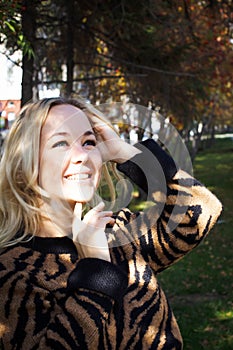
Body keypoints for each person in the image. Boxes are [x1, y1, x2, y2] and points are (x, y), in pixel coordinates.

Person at [0, 97, 222, 350]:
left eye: (88, 142)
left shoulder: (118, 231)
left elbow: (201, 212)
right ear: (23, 165)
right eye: (61, 143)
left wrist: (123, 152)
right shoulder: (12, 270)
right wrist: (95, 271)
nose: (82, 155)